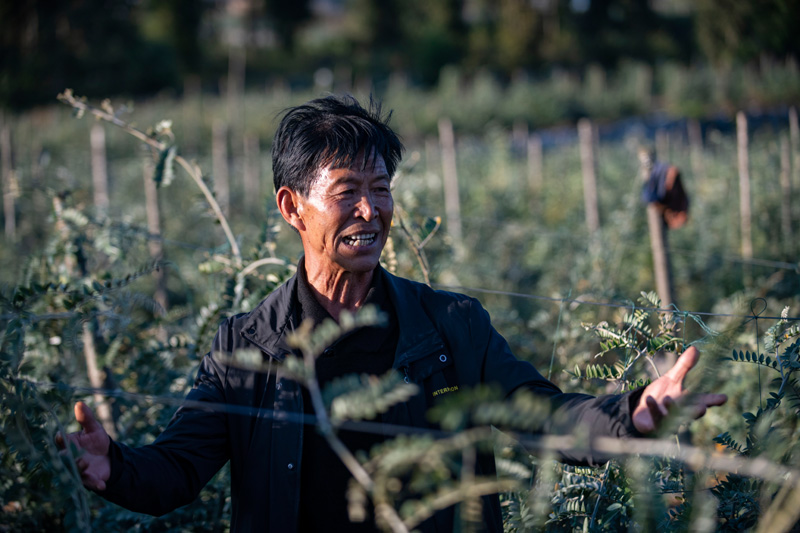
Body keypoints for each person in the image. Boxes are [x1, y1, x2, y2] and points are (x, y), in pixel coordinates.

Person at [59, 95, 727, 532]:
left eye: (381, 190)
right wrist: (114, 466)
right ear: (292, 207)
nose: (371, 211)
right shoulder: (247, 346)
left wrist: (631, 413)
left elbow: (542, 415)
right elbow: (178, 467)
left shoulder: (450, 327)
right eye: (349, 192)